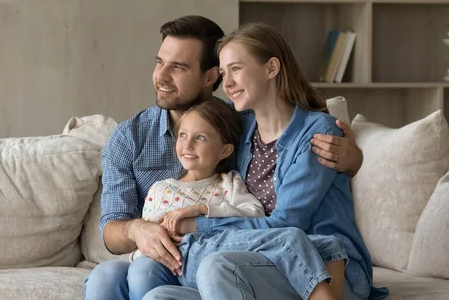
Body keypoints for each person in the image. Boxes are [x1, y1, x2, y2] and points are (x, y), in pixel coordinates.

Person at [83, 15, 365, 300]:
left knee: (203, 269)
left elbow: (288, 219)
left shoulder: (235, 124)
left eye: (178, 67)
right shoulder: (133, 137)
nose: (161, 77)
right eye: (159, 63)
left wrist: (353, 160)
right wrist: (139, 229)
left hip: (293, 258)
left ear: (209, 77)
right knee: (109, 279)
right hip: (224, 256)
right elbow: (111, 229)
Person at [127, 97, 347, 300]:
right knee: (155, 296)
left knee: (230, 253)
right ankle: (306, 246)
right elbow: (148, 239)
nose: (188, 144)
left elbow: (254, 215)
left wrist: (204, 211)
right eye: (182, 135)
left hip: (219, 252)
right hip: (181, 263)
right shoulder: (160, 189)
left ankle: (308, 251)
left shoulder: (230, 182)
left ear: (225, 151)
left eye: (200, 137)